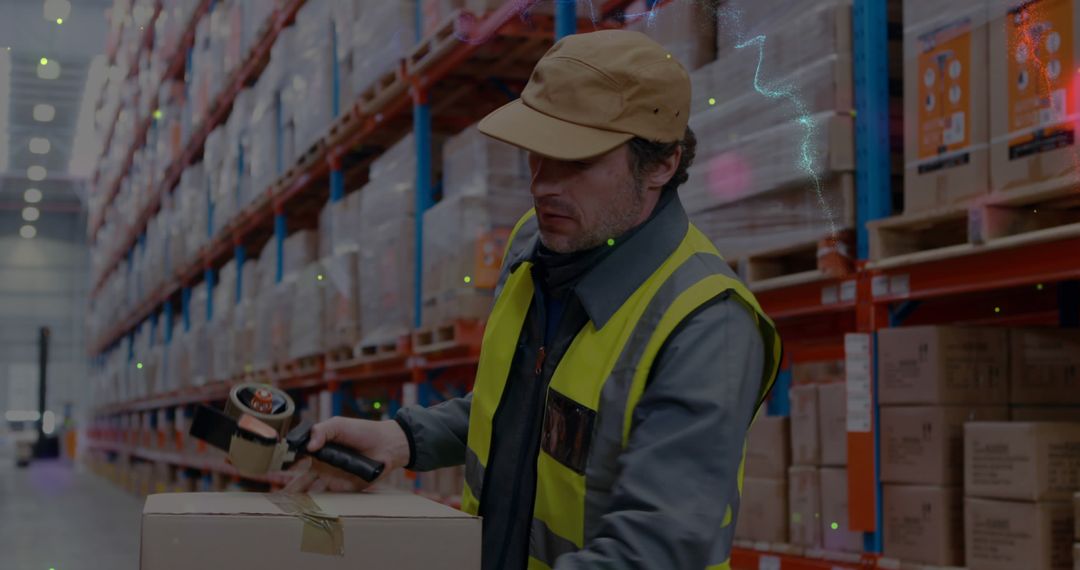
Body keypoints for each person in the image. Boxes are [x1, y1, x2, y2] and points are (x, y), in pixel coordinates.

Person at [286, 29, 782, 569]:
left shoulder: (708, 325)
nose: (543, 185)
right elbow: (528, 407)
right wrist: (401, 438)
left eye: (577, 162)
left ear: (661, 164)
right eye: (537, 156)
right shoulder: (535, 244)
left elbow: (654, 551)